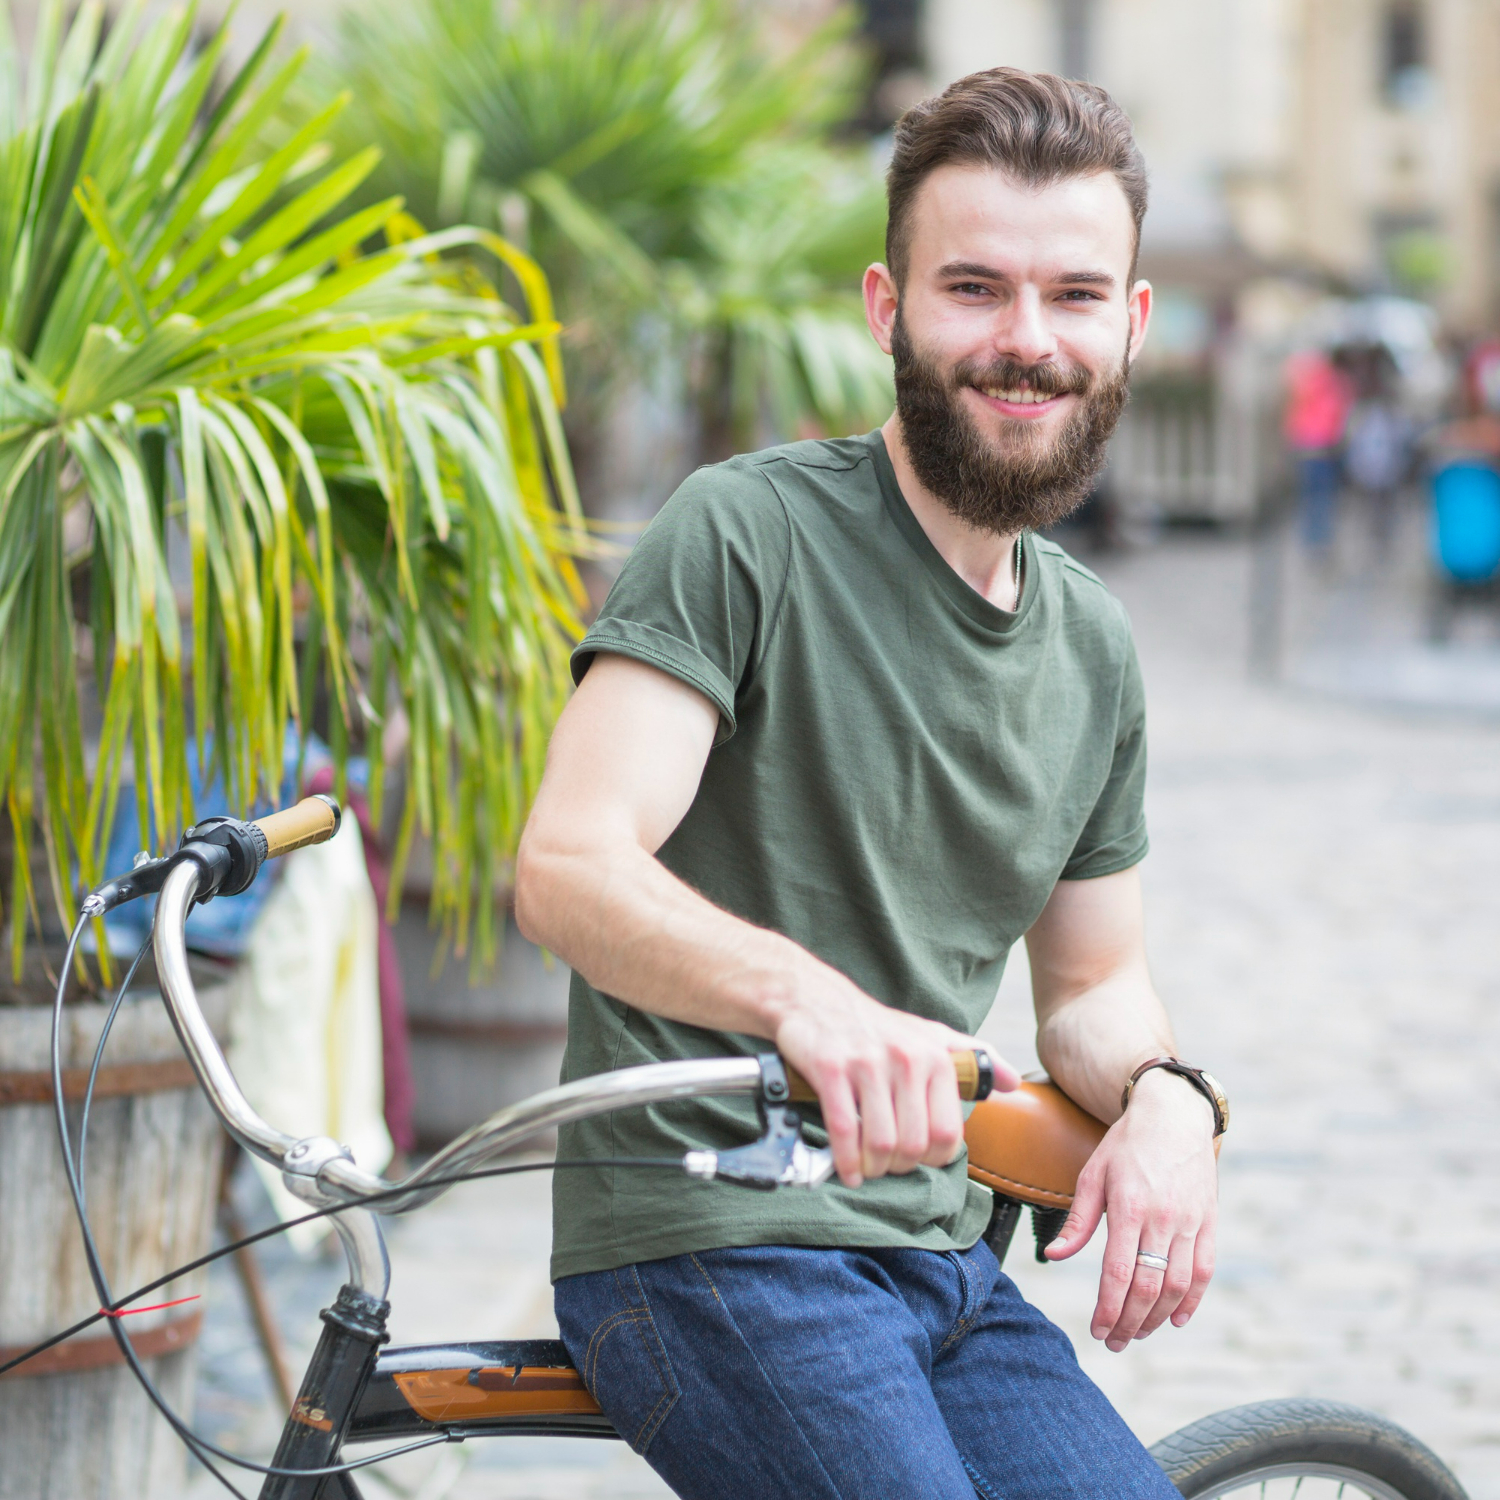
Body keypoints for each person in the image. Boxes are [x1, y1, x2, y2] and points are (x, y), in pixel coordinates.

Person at [516, 68, 1224, 1500]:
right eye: (975, 288)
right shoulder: (746, 535)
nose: (1027, 341)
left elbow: (1091, 986)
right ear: (887, 307)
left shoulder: (1090, 639)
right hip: (708, 1238)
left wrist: (1166, 1099)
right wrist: (813, 1005)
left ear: (1130, 327)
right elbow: (572, 864)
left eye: (1074, 296)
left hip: (941, 1261)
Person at [1283, 347, 1354, 557]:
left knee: (1313, 496)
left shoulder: (1311, 381)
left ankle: (1315, 540)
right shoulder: (1336, 383)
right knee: (1322, 497)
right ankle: (1320, 540)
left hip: (1311, 445)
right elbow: (1340, 414)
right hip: (1322, 446)